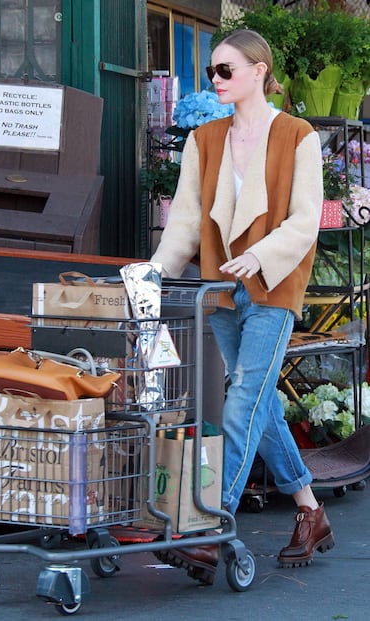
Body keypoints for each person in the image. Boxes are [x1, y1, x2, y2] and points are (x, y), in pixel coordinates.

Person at [151, 29, 334, 585]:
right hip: (219, 289)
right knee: (259, 403)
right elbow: (184, 220)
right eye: (211, 71)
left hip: (273, 285)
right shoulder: (204, 140)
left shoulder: (298, 136)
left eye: (225, 70)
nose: (215, 79)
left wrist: (258, 256)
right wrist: (153, 274)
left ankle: (209, 522)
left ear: (259, 71)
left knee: (243, 400)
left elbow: (305, 219)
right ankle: (310, 510)